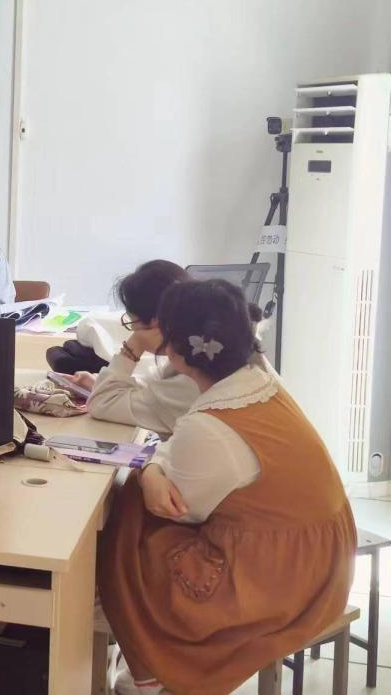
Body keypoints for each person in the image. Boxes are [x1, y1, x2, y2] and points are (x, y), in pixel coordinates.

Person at [98, 279, 355, 695]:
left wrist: (149, 473)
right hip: (322, 560)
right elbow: (177, 447)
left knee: (129, 523)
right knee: (138, 495)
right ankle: (142, 664)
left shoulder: (211, 424)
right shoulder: (257, 384)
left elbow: (178, 505)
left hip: (280, 582)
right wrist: (156, 468)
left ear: (173, 349)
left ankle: (152, 669)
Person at [65, 261, 197, 437]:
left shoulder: (189, 383)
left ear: (156, 323)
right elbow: (157, 387)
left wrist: (134, 345)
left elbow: (102, 403)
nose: (133, 329)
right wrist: (98, 383)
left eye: (132, 321)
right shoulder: (199, 356)